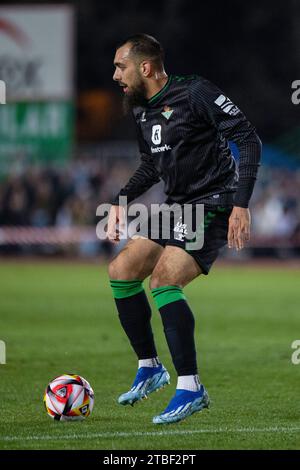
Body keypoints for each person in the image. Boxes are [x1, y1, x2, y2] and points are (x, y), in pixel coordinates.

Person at [107, 34, 261, 424]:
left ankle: (190, 388)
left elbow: (248, 138)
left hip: (214, 201)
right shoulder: (142, 112)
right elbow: (151, 165)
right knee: (121, 270)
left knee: (163, 281)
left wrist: (241, 205)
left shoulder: (194, 92)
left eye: (120, 67)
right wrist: (120, 201)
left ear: (145, 67)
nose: (114, 76)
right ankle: (150, 367)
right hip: (177, 205)